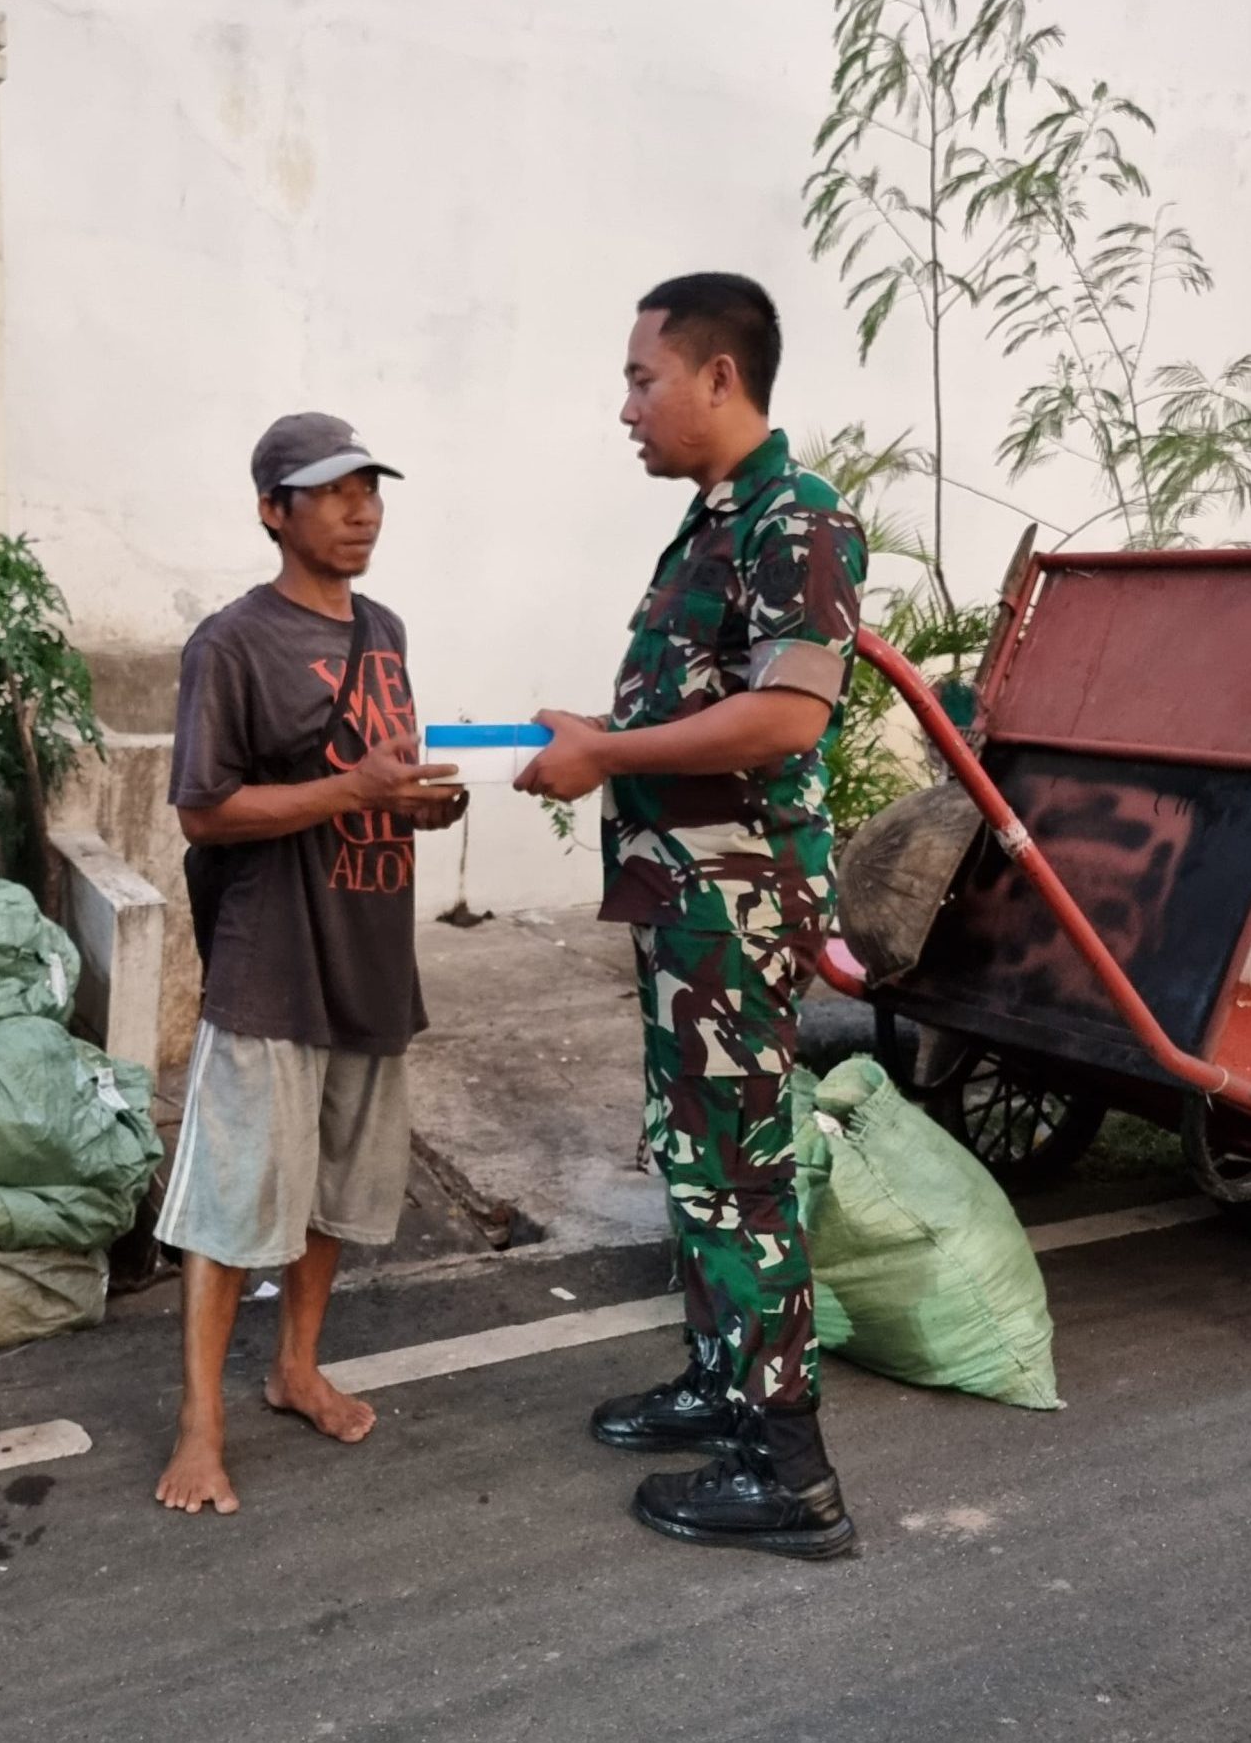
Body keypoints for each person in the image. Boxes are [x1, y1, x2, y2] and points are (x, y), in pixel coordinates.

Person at [516, 274, 867, 1558]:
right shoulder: (716, 521)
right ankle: (727, 1381)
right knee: (694, 1158)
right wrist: (607, 738)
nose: (626, 408)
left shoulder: (800, 518)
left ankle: (791, 1472)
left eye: (641, 377)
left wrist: (607, 755)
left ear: (720, 376)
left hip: (739, 899)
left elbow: (788, 715)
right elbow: (701, 702)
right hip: (689, 901)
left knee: (743, 1174)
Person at [154, 412, 462, 1515]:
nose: (362, 506)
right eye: (332, 489)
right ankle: (201, 1421)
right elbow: (204, 811)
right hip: (272, 959)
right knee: (237, 1201)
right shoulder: (230, 643)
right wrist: (353, 793)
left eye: (371, 485)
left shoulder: (386, 627)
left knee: (339, 1189)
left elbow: (373, 781)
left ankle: (295, 1368)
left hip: (370, 948)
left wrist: (419, 804)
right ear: (273, 508)